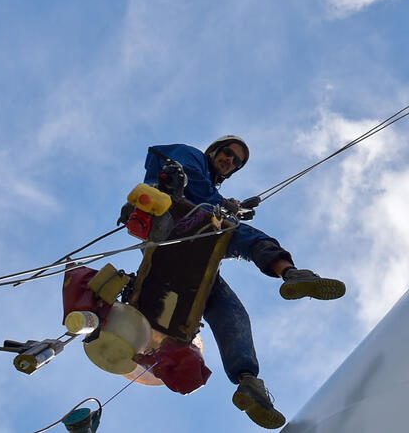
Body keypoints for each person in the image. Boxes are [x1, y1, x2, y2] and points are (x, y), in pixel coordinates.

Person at [138, 135, 346, 429]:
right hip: (177, 225)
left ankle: (248, 382)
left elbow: (207, 196)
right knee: (243, 233)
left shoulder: (211, 194)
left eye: (236, 162)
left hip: (189, 257)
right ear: (213, 151)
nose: (230, 161)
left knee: (231, 312)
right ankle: (289, 273)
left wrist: (224, 203)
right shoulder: (191, 157)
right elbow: (163, 159)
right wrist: (221, 204)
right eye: (227, 154)